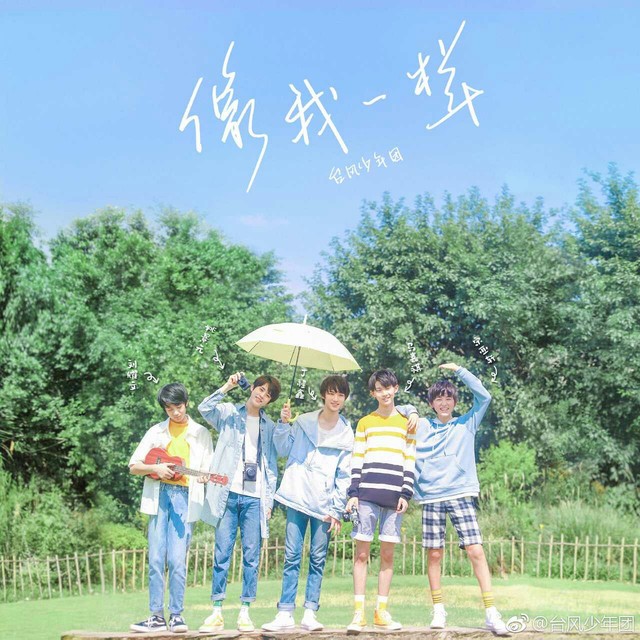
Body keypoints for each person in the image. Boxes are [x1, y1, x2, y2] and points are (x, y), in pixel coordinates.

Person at [413, 363, 508, 636]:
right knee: (434, 554)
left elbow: (485, 397)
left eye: (448, 398)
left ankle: (491, 611)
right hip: (431, 496)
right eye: (438, 399)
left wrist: (460, 370)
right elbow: (401, 409)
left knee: (475, 550)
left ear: (455, 402)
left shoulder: (467, 423)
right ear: (431, 403)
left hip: (460, 494)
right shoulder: (422, 426)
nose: (443, 403)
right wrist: (412, 411)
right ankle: (438, 609)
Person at [262, 375, 354, 633]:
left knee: (318, 558)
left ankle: (310, 612)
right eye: (332, 393)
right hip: (296, 495)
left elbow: (344, 475)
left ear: (344, 399)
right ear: (323, 394)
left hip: (324, 505)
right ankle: (285, 612)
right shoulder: (302, 422)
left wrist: (336, 510)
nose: (336, 399)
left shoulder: (346, 433)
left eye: (341, 395)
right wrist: (283, 423)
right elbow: (282, 449)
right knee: (291, 555)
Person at [197, 371, 280, 633]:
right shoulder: (229, 413)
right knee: (222, 553)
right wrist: (227, 386)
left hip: (256, 498)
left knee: (252, 557)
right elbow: (203, 408)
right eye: (260, 388)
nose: (262, 395)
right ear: (252, 387)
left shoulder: (269, 426)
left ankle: (245, 611)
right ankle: (216, 611)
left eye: (268, 394)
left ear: (270, 401)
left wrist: (269, 501)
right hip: (228, 493)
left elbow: (272, 465)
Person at [128, 383, 213, 634]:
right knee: (156, 558)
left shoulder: (201, 433)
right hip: (159, 496)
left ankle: (176, 615)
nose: (175, 412)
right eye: (169, 408)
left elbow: (207, 470)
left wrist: (206, 476)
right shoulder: (155, 431)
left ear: (186, 403)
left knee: (177, 560)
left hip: (185, 497)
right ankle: (156, 616)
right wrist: (155, 468)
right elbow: (134, 466)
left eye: (178, 406)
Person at [345, 369, 418, 632]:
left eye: (388, 388)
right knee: (361, 554)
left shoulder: (408, 423)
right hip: (366, 496)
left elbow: (410, 459)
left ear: (396, 388)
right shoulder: (365, 422)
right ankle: (358, 613)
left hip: (395, 498)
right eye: (379, 389)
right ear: (372, 393)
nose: (384, 393)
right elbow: (357, 459)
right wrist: (353, 494)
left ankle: (381, 612)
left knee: (387, 555)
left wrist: (406, 493)